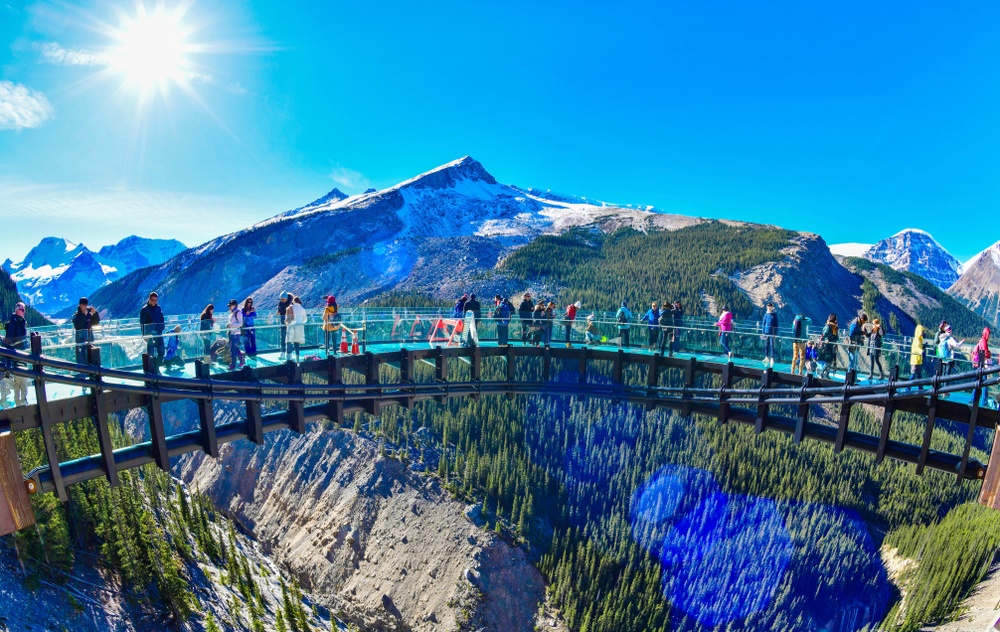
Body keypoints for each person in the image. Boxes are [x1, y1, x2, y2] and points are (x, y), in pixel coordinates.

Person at [3, 303, 29, 406]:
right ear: (17, 310)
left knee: (23, 381)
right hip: (16, 358)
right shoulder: (13, 324)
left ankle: (23, 402)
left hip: (23, 356)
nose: (24, 312)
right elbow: (9, 342)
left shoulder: (21, 322)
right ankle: (20, 403)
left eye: (24, 310)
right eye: (22, 310)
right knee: (19, 381)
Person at [140, 291, 165, 368]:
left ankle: (157, 367)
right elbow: (142, 324)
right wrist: (145, 335)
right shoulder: (144, 310)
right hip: (150, 336)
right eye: (153, 300)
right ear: (149, 299)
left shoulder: (158, 308)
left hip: (159, 334)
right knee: (150, 354)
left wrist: (162, 327)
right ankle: (152, 370)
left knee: (162, 351)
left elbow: (162, 319)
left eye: (156, 300)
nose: (155, 302)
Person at [71, 297, 100, 365]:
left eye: (86, 305)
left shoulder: (89, 314)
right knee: (82, 356)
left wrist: (95, 314)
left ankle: (91, 369)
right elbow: (78, 325)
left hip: (89, 338)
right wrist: (85, 315)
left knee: (91, 354)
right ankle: (82, 371)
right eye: (83, 305)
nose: (85, 306)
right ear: (80, 305)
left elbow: (95, 322)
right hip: (81, 339)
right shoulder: (76, 315)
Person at [286, 295, 307, 361]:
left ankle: (289, 358)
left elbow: (287, 318)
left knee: (289, 341)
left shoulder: (290, 307)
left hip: (291, 326)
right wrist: (300, 322)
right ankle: (297, 357)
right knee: (296, 342)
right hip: (299, 327)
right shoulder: (302, 309)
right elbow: (305, 320)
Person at [226, 299, 245, 370]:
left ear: (234, 305)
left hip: (236, 333)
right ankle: (241, 361)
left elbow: (241, 323)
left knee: (233, 349)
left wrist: (231, 325)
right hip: (232, 333)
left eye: (230, 306)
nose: (229, 307)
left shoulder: (238, 313)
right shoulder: (232, 313)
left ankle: (233, 364)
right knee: (235, 348)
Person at [819, 314, 839, 379]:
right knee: (828, 361)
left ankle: (826, 374)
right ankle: (821, 373)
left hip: (832, 346)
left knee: (830, 361)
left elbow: (836, 337)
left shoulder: (834, 328)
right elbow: (825, 335)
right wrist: (827, 339)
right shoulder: (828, 327)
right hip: (827, 346)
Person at [761, 302, 779, 368]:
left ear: (772, 307)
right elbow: (763, 324)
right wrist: (763, 332)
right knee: (766, 345)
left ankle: (772, 357)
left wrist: (775, 333)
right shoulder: (765, 315)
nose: (769, 307)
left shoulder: (774, 315)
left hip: (772, 332)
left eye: (770, 306)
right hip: (766, 332)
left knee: (772, 345)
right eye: (768, 306)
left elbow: (776, 325)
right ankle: (766, 357)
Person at [277, 292, 291, 357]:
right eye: (281, 299)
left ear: (286, 299)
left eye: (283, 299)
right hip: (282, 321)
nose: (282, 301)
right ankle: (282, 351)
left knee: (289, 337)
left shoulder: (290, 303)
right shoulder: (280, 303)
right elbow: (279, 311)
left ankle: (289, 352)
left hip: (289, 322)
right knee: (282, 337)